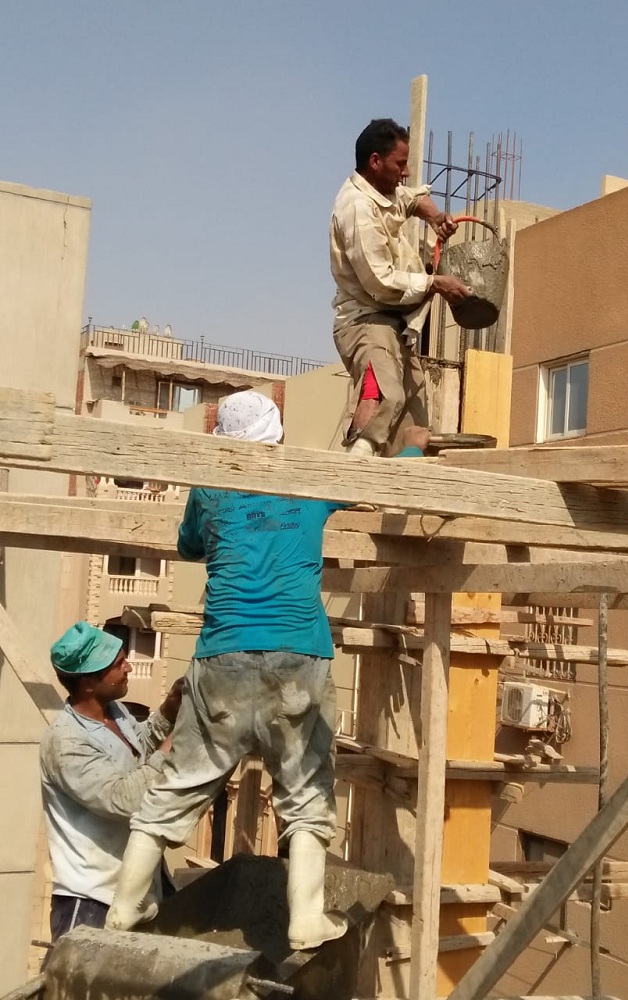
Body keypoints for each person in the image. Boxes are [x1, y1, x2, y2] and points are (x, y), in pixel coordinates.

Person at [106, 390, 429, 949]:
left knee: (176, 786)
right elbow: (373, 479)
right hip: (298, 656)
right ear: (277, 435)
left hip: (222, 657)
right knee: (305, 792)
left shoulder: (209, 487)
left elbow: (189, 546)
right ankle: (305, 919)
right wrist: (415, 448)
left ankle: (125, 905)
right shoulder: (307, 478)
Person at [330, 117, 471, 457]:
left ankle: (395, 480)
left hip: (396, 326)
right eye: (400, 164)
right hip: (366, 322)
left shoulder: (383, 190)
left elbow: (410, 199)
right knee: (382, 394)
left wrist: (435, 217)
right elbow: (379, 282)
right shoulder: (358, 210)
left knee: (415, 425)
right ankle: (353, 473)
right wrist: (434, 283)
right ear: (375, 161)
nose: (406, 172)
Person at [40, 621, 183, 941]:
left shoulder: (114, 712)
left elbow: (138, 750)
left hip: (142, 891)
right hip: (93, 901)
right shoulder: (65, 742)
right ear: (89, 683)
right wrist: (174, 744)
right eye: (118, 665)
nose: (128, 667)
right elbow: (124, 798)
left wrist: (168, 712)